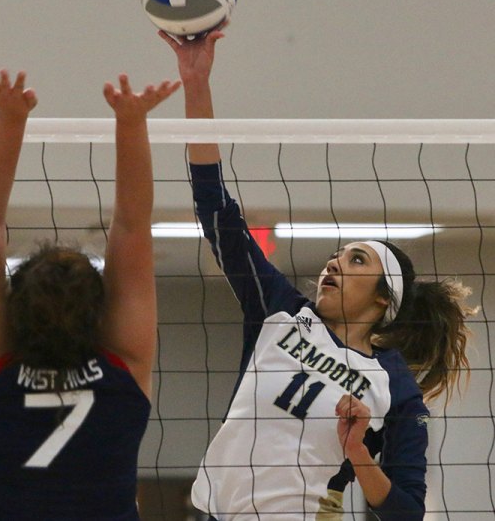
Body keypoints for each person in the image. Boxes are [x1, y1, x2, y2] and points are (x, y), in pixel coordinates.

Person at [160, 29, 474, 520]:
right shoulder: (280, 311)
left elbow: (407, 512)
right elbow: (214, 207)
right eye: (338, 254)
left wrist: (359, 453)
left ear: (381, 301)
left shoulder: (392, 384)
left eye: (356, 261)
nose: (334, 262)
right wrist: (195, 81)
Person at [0, 69, 180, 520]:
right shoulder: (122, 369)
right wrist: (132, 123)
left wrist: (10, 121)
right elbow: (133, 226)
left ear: (12, 311)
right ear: (101, 313)